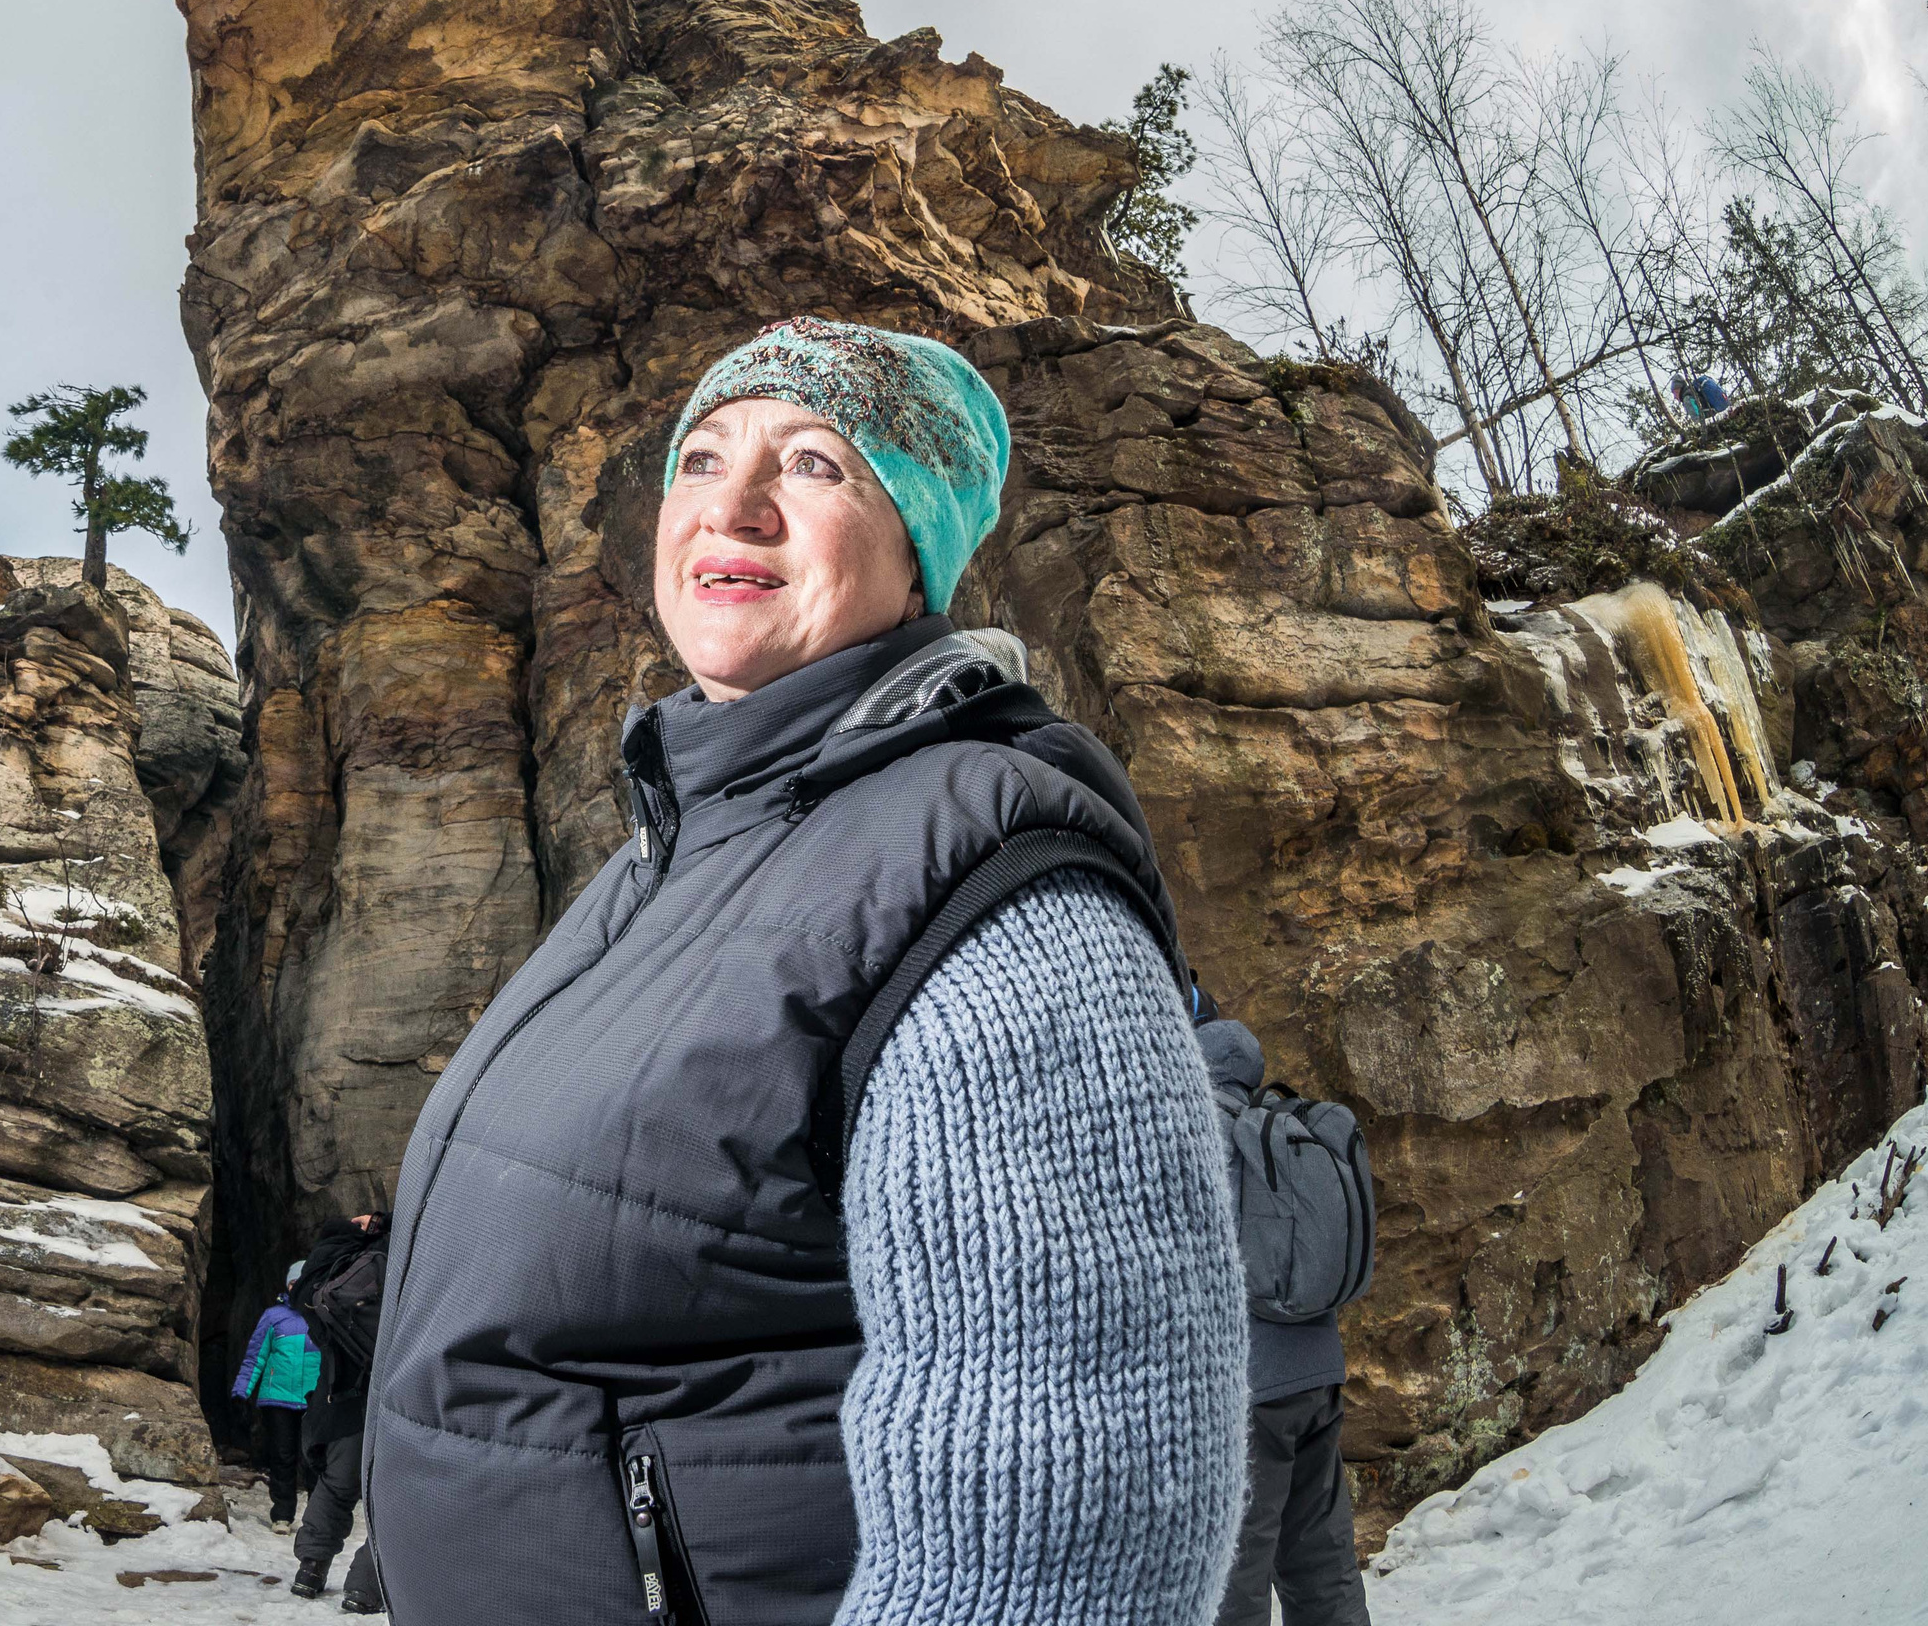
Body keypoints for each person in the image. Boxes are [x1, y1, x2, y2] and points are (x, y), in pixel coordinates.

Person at [364, 317, 1248, 1624]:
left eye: (819, 465)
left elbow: (1067, 1528)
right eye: (704, 456)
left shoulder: (992, 884)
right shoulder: (668, 863)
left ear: (917, 550)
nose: (739, 504)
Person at [1195, 996, 1370, 1626]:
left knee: (1231, 1585)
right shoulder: (1279, 1125)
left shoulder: (1194, 1131)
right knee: (1323, 1565)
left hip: (1249, 1393)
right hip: (1316, 1373)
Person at [293, 1210, 389, 1613]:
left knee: (335, 1485)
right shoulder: (389, 1262)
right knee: (392, 1495)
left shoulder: (327, 1283)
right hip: (391, 1400)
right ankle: (365, 1589)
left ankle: (310, 1571)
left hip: (341, 1401)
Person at [233, 1261, 320, 1534]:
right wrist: (242, 1390)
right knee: (282, 1457)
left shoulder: (323, 1315)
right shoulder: (273, 1316)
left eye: (303, 1281)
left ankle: (318, 1518)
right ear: (288, 1285)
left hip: (313, 1399)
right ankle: (282, 1515)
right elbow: (255, 1356)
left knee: (314, 1459)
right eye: (294, 1282)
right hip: (278, 1398)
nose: (297, 1287)